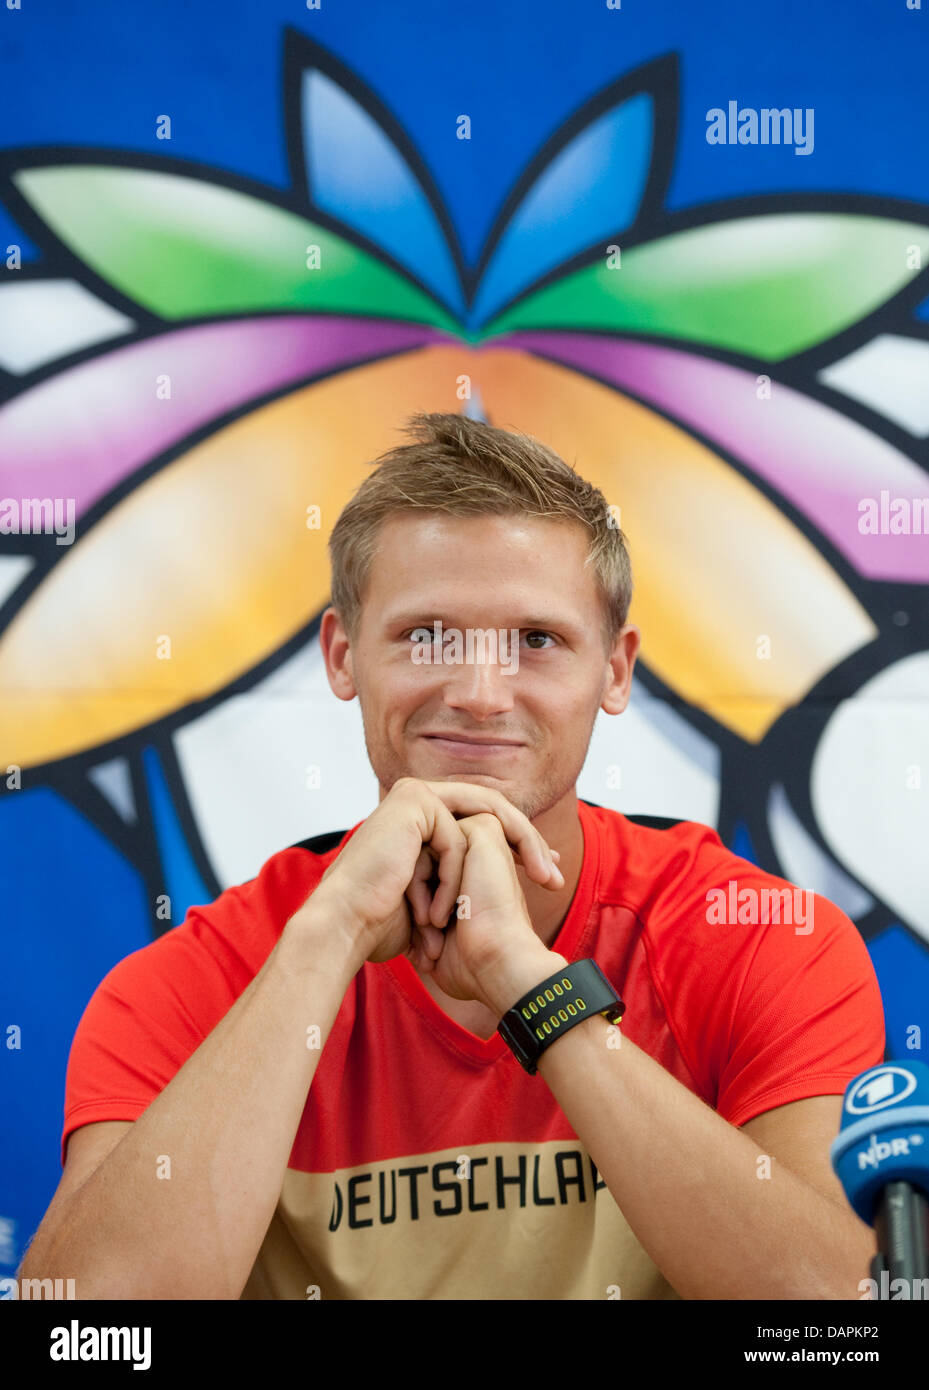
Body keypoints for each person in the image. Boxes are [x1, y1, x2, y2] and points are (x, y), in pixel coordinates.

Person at [18, 412, 884, 1300]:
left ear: (615, 672)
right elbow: (88, 1336)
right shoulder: (195, 979)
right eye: (425, 635)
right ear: (342, 654)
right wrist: (328, 937)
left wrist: (526, 985)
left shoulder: (760, 941)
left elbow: (831, 1324)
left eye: (535, 641)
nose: (477, 694)